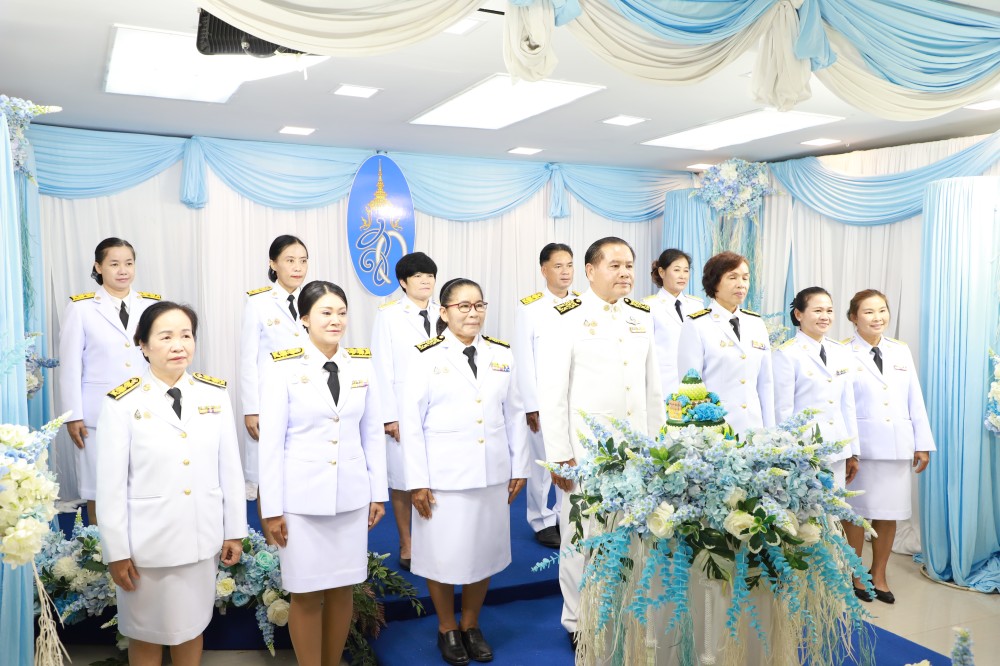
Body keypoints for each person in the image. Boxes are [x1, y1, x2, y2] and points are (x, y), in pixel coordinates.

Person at [96, 302, 246, 666]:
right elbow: (110, 486)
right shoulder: (122, 402)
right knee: (145, 633)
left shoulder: (214, 395)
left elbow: (230, 469)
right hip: (147, 546)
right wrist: (116, 552)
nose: (179, 345)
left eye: (186, 335)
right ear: (143, 344)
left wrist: (234, 532)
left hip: (200, 539)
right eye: (165, 337)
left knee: (191, 629)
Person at [536, 237, 664, 645]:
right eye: (615, 265)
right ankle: (577, 621)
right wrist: (560, 455)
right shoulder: (565, 317)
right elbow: (552, 393)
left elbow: (652, 391)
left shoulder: (641, 317)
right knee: (581, 539)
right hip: (586, 454)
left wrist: (657, 450)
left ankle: (622, 610)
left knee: (631, 534)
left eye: (629, 265)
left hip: (636, 455)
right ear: (590, 271)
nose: (625, 273)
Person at [258, 281, 387, 666]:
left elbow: (372, 434)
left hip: (350, 497)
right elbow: (271, 445)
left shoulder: (361, 364)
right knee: (306, 593)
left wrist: (377, 493)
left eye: (341, 313)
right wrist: (272, 510)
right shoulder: (283, 367)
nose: (336, 320)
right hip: (301, 502)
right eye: (325, 313)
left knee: (343, 589)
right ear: (304, 319)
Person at [401, 278, 528, 666]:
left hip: (491, 473)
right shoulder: (424, 357)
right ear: (444, 312)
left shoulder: (501, 354)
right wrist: (417, 481)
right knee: (440, 554)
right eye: (463, 306)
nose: (473, 313)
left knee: (483, 551)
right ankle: (446, 627)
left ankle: (471, 624)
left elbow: (515, 414)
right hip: (443, 476)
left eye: (479, 305)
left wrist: (520, 466)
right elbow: (411, 423)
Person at [59, 237, 162, 525]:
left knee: (146, 483)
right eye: (114, 264)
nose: (123, 270)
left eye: (128, 263)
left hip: (146, 408)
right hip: (98, 413)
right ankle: (100, 545)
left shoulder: (152, 305)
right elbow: (70, 366)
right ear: (98, 267)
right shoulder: (81, 308)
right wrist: (73, 415)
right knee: (99, 486)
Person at [841, 289, 934, 604]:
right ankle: (857, 573)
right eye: (868, 312)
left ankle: (879, 574)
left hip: (897, 445)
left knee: (889, 513)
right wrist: (849, 450)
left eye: (882, 310)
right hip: (861, 448)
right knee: (855, 514)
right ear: (853, 317)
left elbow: (914, 398)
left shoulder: (900, 350)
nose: (877, 317)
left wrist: (922, 443)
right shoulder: (842, 352)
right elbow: (841, 404)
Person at [370, 251, 439, 571]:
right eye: (418, 276)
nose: (425, 281)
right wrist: (389, 416)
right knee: (402, 479)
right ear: (403, 282)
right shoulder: (389, 315)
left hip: (438, 408)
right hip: (402, 408)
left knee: (434, 474)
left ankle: (433, 541)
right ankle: (407, 543)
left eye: (430, 276)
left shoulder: (445, 311)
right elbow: (381, 367)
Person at [239, 235, 309, 525]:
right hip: (269, 400)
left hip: (307, 398)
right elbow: (248, 359)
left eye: (303, 261)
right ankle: (271, 546)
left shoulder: (315, 299)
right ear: (273, 264)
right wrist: (251, 409)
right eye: (290, 260)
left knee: (300, 469)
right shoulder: (258, 302)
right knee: (267, 474)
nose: (298, 267)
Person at [512, 242, 576, 549]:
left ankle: (565, 516)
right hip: (542, 400)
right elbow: (523, 359)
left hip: (574, 399)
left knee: (570, 459)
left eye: (569, 265)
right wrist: (530, 405)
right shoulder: (531, 308)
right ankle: (541, 520)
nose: (565, 272)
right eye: (558, 266)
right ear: (544, 270)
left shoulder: (582, 304)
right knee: (542, 463)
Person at [677, 251, 774, 437]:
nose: (741, 284)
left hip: (755, 432)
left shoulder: (756, 323)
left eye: (745, 278)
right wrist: (697, 438)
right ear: (714, 282)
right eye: (732, 277)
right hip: (716, 432)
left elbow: (765, 385)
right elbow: (690, 388)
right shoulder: (697, 324)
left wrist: (770, 433)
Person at [772, 287, 860, 489]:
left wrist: (853, 451)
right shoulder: (786, 354)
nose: (825, 317)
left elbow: (847, 406)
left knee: (836, 506)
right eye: (818, 310)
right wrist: (787, 453)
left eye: (829, 311)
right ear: (798, 314)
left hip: (838, 451)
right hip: (804, 453)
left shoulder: (840, 351)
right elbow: (782, 411)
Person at [645, 248, 704, 395]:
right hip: (663, 386)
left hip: (694, 386)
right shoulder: (649, 306)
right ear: (662, 272)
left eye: (686, 270)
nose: (682, 276)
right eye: (677, 270)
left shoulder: (697, 305)